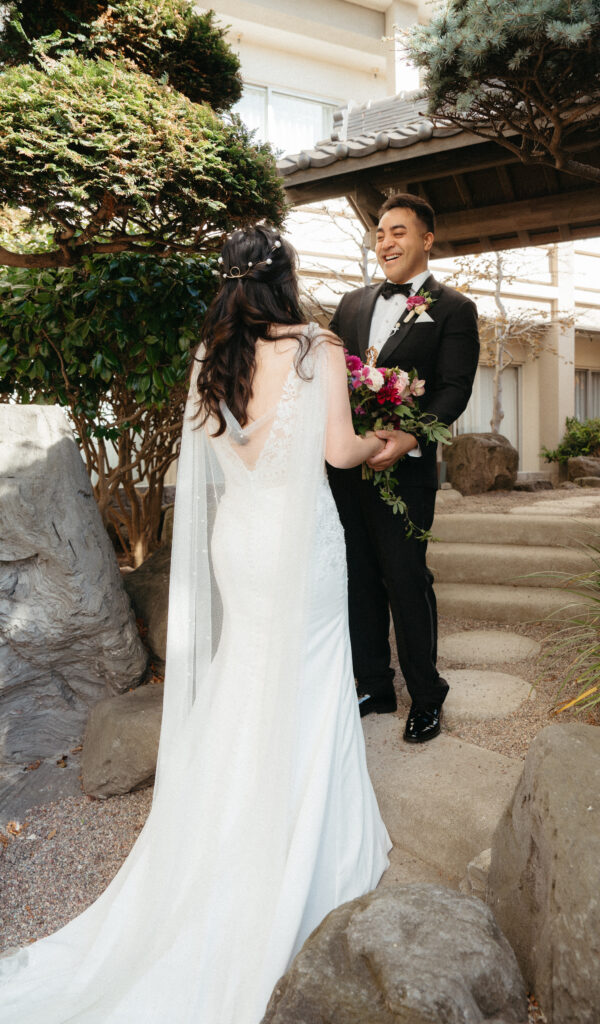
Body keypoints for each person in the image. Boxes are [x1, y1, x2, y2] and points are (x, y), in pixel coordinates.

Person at [0, 226, 391, 1022]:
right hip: (299, 541)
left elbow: (211, 464)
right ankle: (308, 842)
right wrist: (391, 439)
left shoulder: (210, 358)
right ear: (286, 277)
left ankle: (229, 826)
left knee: (248, 675)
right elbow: (340, 453)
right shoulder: (314, 346)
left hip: (238, 545)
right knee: (311, 674)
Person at [328, 193, 480, 745]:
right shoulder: (348, 303)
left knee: (406, 578)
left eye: (397, 232)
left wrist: (412, 433)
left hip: (406, 468)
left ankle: (426, 696)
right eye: (380, 233)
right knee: (358, 576)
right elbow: (329, 378)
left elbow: (454, 389)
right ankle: (374, 684)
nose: (385, 242)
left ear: (426, 240)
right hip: (348, 468)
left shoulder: (455, 308)